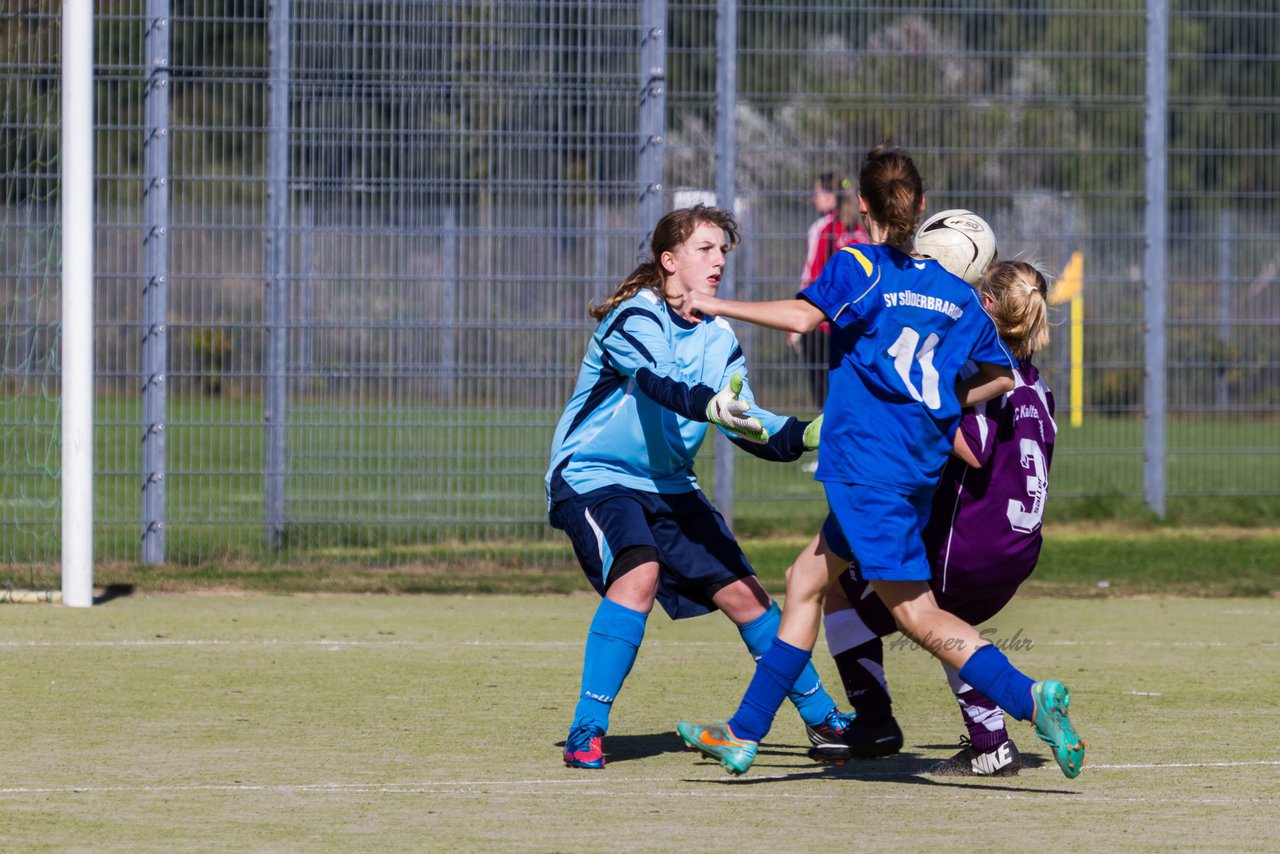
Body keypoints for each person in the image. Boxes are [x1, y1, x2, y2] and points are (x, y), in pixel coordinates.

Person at [673, 142, 1085, 780]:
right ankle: (742, 733)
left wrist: (718, 305)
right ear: (921, 207)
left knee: (917, 615)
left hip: (867, 471)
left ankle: (1027, 695)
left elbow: (802, 317)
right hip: (908, 473)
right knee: (805, 580)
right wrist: (940, 403)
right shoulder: (952, 292)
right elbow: (1004, 377)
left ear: (860, 204)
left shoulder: (858, 266)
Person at [548, 204, 853, 770]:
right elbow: (660, 384)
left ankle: (824, 720)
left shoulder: (718, 335)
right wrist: (712, 405)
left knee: (749, 598)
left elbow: (741, 419)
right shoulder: (632, 319)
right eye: (705, 249)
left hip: (670, 485)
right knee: (639, 573)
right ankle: (586, 728)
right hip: (596, 477)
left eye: (723, 251)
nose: (718, 261)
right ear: (670, 260)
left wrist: (805, 434)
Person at [817, 259, 1056, 777]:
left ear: (985, 307)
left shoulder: (984, 376)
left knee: (839, 590)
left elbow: (973, 447)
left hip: (966, 545)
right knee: (952, 622)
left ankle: (876, 721)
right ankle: (988, 742)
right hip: (1017, 547)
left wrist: (910, 406)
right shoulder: (1038, 387)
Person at [790, 171, 870, 414]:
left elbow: (810, 277)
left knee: (824, 401)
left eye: (816, 193)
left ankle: (827, 451)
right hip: (856, 327)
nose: (814, 199)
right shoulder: (860, 232)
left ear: (828, 196)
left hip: (822, 326)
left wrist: (795, 323)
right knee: (851, 398)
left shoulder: (822, 228)